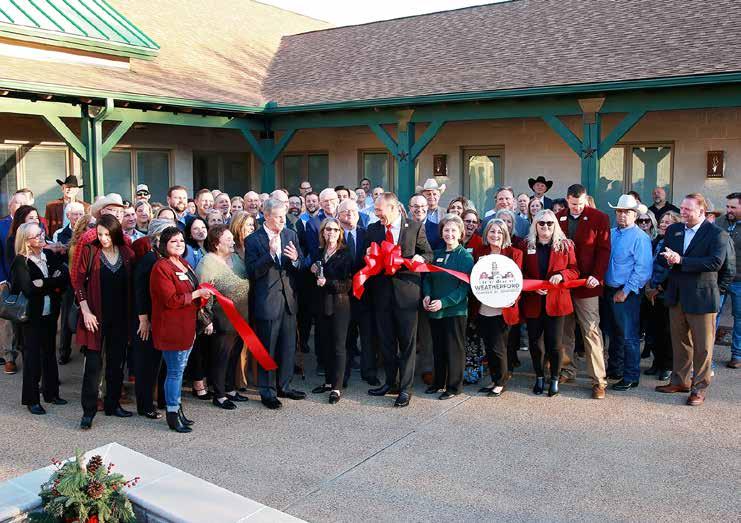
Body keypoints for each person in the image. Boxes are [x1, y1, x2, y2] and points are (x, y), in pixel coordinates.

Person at [656, 193, 728, 406]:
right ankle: (680, 381)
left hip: (702, 298)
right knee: (680, 342)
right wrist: (669, 260)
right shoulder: (674, 230)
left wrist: (681, 260)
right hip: (677, 295)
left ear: (701, 211)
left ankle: (699, 388)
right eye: (682, 208)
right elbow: (665, 257)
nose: (683, 212)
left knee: (703, 347)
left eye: (688, 209)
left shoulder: (717, 233)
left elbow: (715, 263)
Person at [365, 192, 432, 407]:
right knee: (386, 341)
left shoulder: (414, 227)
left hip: (407, 294)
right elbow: (367, 259)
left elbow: (428, 254)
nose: (377, 214)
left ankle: (405, 388)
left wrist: (420, 257)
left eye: (379, 210)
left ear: (393, 208)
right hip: (381, 294)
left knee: (407, 343)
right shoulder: (373, 229)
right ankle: (390, 383)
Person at [150, 226, 213, 432]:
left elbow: (191, 291)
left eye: (181, 241)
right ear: (164, 245)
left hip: (187, 326)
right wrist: (196, 294)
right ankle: (172, 413)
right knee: (175, 372)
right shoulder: (161, 267)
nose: (179, 244)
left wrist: (202, 293)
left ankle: (178, 410)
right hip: (172, 328)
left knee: (179, 370)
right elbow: (170, 300)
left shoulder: (184, 263)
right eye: (173, 241)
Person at [75, 214, 135, 430]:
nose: (103, 238)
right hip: (95, 317)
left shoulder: (127, 253)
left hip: (120, 317)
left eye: (107, 235)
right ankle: (88, 412)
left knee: (116, 363)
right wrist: (85, 311)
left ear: (115, 233)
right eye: (100, 234)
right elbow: (78, 283)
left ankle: (113, 404)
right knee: (93, 366)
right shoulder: (90, 250)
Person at [245, 198, 306, 409]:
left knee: (288, 347)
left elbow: (300, 265)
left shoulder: (290, 235)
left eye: (284, 217)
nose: (283, 221)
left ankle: (284, 386)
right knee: (267, 348)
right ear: (267, 216)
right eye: (279, 217)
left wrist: (296, 259)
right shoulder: (253, 240)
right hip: (267, 301)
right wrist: (270, 254)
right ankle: (268, 391)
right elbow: (252, 272)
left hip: (288, 300)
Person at [556, 184, 611, 399]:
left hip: (587, 284)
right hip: (564, 283)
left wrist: (597, 275)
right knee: (565, 330)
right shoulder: (558, 217)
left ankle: (598, 380)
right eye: (572, 204)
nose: (576, 208)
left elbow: (604, 250)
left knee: (591, 330)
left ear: (586, 199)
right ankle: (566, 369)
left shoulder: (599, 218)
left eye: (579, 204)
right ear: (567, 200)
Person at [10, 222, 69, 414]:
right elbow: (28, 289)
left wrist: (43, 282)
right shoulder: (21, 262)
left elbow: (64, 278)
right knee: (32, 358)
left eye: (42, 233)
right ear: (26, 241)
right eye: (37, 236)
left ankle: (51, 393)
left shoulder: (48, 255)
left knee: (49, 353)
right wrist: (52, 282)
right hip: (30, 317)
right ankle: (32, 399)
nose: (42, 237)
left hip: (50, 313)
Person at [521, 209, 579, 397]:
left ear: (555, 225)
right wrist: (532, 286)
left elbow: (574, 270)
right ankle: (539, 377)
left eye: (549, 223)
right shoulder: (526, 245)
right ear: (535, 225)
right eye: (541, 223)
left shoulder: (565, 245)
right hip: (534, 301)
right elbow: (520, 272)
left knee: (555, 344)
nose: (545, 226)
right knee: (535, 344)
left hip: (557, 302)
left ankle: (554, 378)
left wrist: (561, 275)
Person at [196, 225, 250, 410]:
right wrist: (206, 319)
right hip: (222, 319)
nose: (233, 242)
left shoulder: (236, 258)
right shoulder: (207, 263)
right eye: (228, 239)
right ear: (216, 244)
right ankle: (219, 395)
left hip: (242, 316)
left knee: (234, 354)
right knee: (221, 357)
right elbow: (203, 294)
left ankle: (230, 389)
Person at [604, 194, 653, 391]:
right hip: (609, 289)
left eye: (627, 212)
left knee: (628, 336)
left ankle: (631, 375)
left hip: (627, 292)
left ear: (635, 215)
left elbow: (643, 270)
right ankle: (615, 369)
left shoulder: (641, 238)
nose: (622, 215)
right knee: (614, 333)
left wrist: (625, 291)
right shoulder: (611, 233)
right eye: (619, 211)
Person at [422, 214, 474, 400]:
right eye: (446, 230)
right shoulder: (436, 254)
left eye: (453, 230)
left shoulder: (465, 256)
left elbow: (464, 288)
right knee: (438, 348)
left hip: (454, 311)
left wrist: (444, 302)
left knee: (454, 350)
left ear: (460, 233)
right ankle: (438, 382)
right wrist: (427, 294)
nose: (449, 234)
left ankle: (453, 387)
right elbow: (428, 278)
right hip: (434, 311)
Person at [474, 219, 523, 397]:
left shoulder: (515, 253)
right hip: (484, 307)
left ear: (505, 235)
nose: (495, 235)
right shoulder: (480, 252)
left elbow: (518, 281)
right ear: (486, 233)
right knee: (489, 346)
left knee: (499, 347)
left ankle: (501, 382)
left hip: (503, 308)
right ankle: (495, 380)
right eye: (492, 231)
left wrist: (512, 299)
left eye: (499, 232)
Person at [132, 219, 173, 420]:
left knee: (163, 362)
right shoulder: (149, 259)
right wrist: (143, 320)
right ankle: (145, 405)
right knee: (147, 364)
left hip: (163, 318)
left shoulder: (168, 258)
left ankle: (163, 399)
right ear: (157, 237)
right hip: (147, 319)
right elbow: (140, 291)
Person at [309, 217, 353, 404]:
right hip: (321, 304)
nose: (332, 233)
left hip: (339, 305)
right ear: (323, 232)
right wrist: (312, 269)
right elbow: (314, 278)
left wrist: (327, 282)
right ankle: (328, 382)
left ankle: (337, 387)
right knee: (324, 345)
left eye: (335, 230)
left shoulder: (345, 254)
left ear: (340, 233)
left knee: (338, 347)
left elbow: (347, 284)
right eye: (328, 229)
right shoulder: (319, 252)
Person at [337, 199, 377, 386]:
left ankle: (369, 372)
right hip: (343, 294)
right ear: (338, 215)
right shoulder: (335, 235)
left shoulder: (367, 234)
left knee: (368, 335)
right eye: (346, 212)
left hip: (366, 293)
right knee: (346, 336)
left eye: (353, 211)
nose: (350, 214)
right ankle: (342, 375)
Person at [644, 211, 682, 381]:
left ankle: (667, 365)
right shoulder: (656, 241)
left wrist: (659, 288)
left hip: (666, 292)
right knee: (653, 330)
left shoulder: (676, 244)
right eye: (662, 221)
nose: (662, 224)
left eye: (667, 222)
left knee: (667, 332)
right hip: (651, 290)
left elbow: (672, 271)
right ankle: (657, 362)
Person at [716, 192, 740, 368]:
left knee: (739, 318)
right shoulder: (720, 222)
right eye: (728, 206)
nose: (729, 210)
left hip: (739, 280)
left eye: (733, 207)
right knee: (713, 315)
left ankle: (737, 355)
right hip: (719, 278)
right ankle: (706, 356)